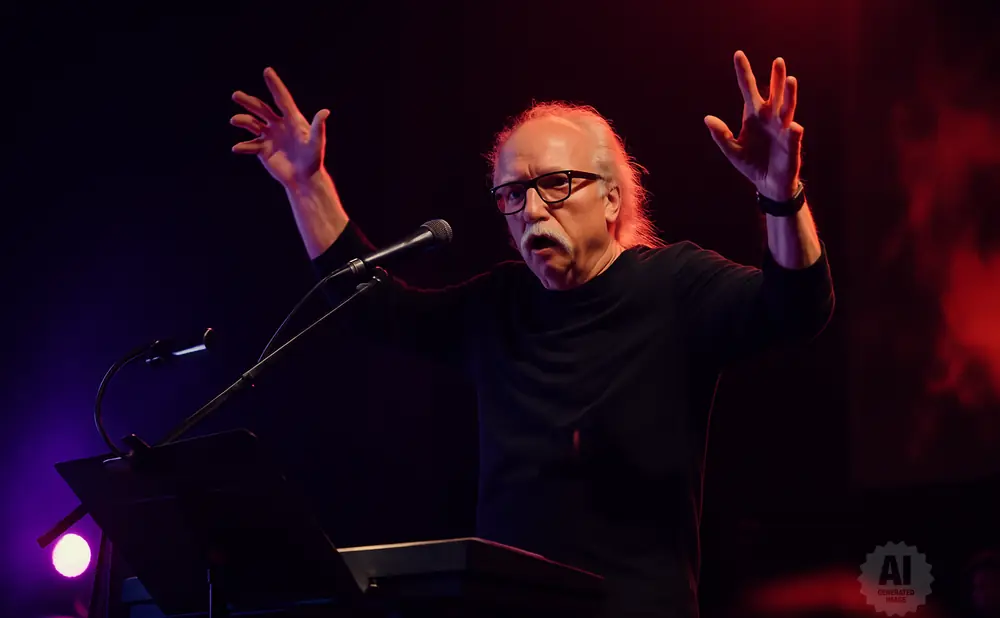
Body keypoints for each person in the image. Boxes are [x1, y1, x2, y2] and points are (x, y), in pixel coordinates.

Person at [229, 50, 835, 618]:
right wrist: (306, 186)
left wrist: (780, 194)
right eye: (513, 194)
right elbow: (375, 308)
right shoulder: (500, 305)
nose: (533, 210)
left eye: (555, 184)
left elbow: (796, 308)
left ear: (612, 200)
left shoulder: (674, 287)